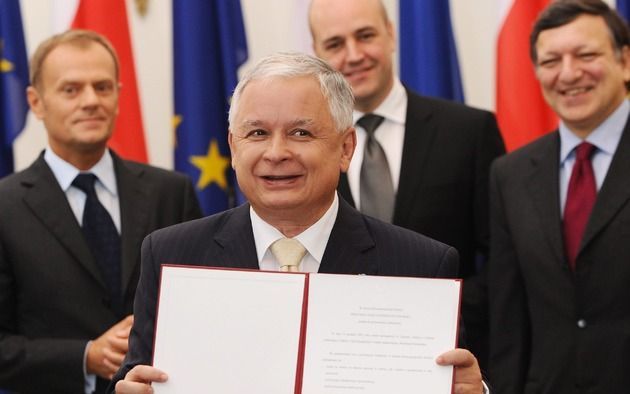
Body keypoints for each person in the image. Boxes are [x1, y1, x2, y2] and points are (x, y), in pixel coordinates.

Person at [111, 52, 486, 394]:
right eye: (257, 133)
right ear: (233, 146)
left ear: (345, 149)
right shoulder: (171, 255)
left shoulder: (422, 266)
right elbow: (133, 379)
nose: (276, 153)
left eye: (300, 133)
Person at [308, 0, 505, 371]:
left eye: (365, 35)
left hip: (447, 357)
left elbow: (502, 258)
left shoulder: (469, 132)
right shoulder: (306, 148)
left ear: (391, 34)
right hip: (335, 364)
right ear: (317, 53)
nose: (353, 55)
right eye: (335, 44)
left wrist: (441, 314)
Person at [0, 30, 202, 394]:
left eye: (103, 87)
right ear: (35, 102)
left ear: (119, 97)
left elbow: (201, 310)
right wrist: (85, 356)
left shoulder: (171, 193)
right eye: (71, 90)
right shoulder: (5, 206)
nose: (91, 100)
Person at [488, 1, 630, 393]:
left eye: (586, 54)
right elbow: (508, 320)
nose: (568, 73)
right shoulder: (510, 174)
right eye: (551, 61)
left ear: (625, 62)